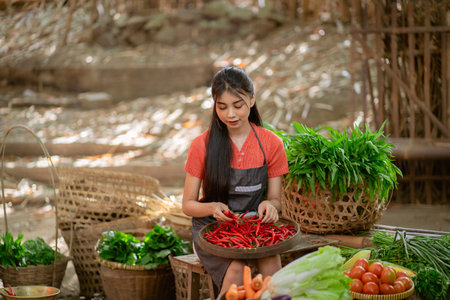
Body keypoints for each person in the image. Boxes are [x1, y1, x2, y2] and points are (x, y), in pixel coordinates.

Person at [182, 66, 289, 295]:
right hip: (212, 231)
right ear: (214, 105)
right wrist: (213, 207)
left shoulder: (271, 143)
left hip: (255, 227)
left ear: (252, 100)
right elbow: (187, 205)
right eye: (222, 106)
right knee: (238, 270)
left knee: (274, 274)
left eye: (237, 105)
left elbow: (276, 200)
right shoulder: (202, 145)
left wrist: (269, 206)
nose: (230, 114)